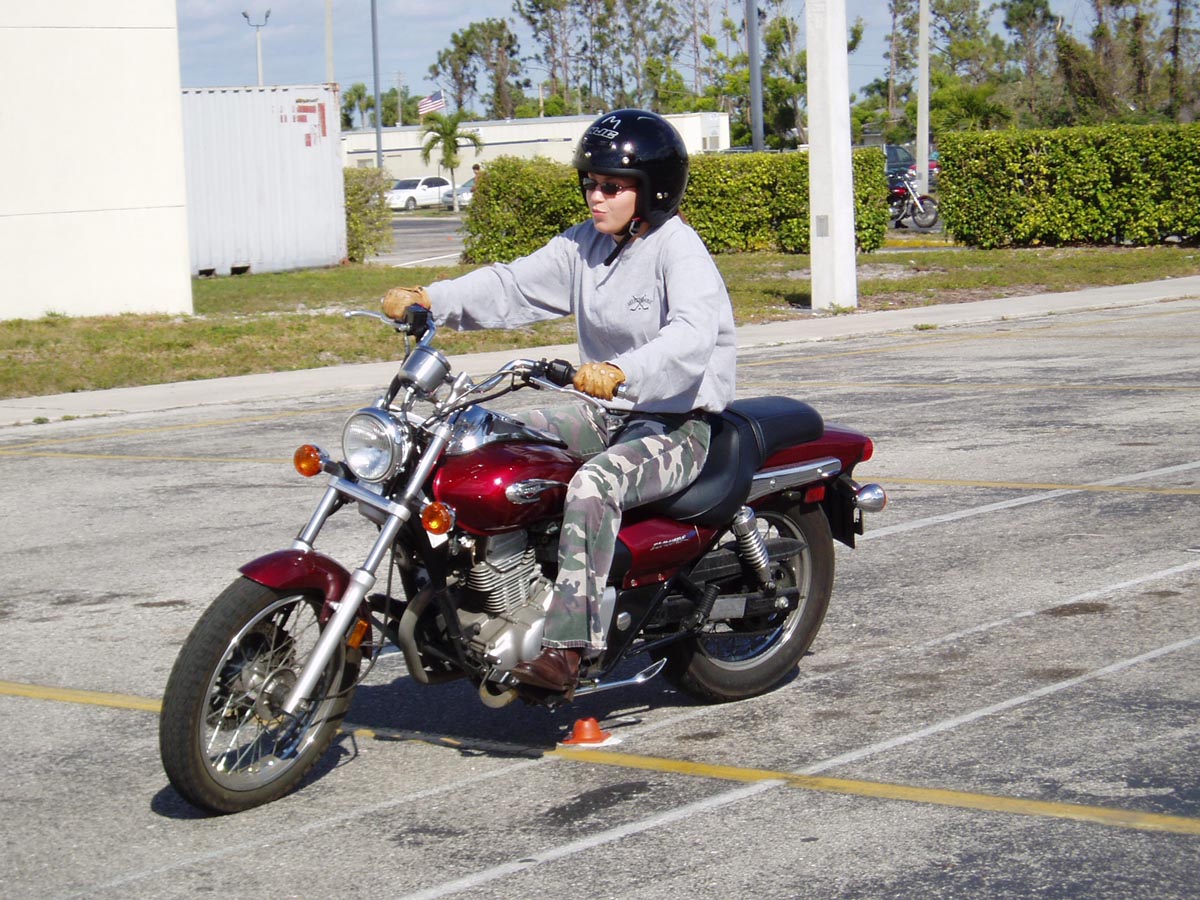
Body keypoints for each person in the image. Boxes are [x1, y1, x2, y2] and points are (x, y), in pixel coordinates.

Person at [382, 109, 736, 694]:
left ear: (653, 191)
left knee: (595, 483)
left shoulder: (680, 252)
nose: (596, 196)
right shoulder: (585, 244)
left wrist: (623, 371)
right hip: (603, 410)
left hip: (678, 422)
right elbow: (512, 284)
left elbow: (691, 336)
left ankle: (570, 647)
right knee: (492, 440)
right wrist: (432, 299)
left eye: (612, 186)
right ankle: (487, 589)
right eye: (591, 183)